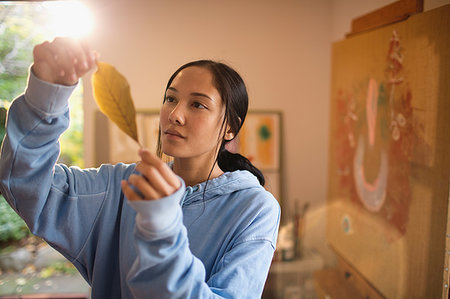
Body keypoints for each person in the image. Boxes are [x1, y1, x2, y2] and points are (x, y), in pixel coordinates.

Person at [0, 37, 280, 298]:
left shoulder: (255, 209)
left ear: (230, 127)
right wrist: (46, 97)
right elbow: (24, 183)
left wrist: (161, 230)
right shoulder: (122, 185)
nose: (175, 114)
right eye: (171, 98)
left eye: (197, 104)